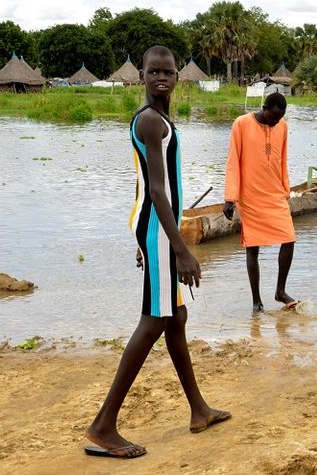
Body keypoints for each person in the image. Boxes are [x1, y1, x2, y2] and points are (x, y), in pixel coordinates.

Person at [85, 46, 230, 460]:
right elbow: (155, 191)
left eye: (168, 72)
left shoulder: (161, 120)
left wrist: (154, 241)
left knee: (176, 316)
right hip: (158, 231)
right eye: (154, 72)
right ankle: (103, 425)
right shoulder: (150, 120)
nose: (161, 77)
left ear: (177, 78)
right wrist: (180, 249)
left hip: (154, 231)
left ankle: (198, 410)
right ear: (142, 77)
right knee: (153, 321)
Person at [222, 92, 298, 314]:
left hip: (274, 193)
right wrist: (230, 198)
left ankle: (280, 291)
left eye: (279, 119)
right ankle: (256, 301)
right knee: (252, 247)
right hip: (250, 195)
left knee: (289, 237)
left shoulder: (282, 127)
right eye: (272, 118)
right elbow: (233, 161)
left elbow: (282, 159)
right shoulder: (241, 124)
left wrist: (286, 190)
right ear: (264, 107)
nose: (275, 123)